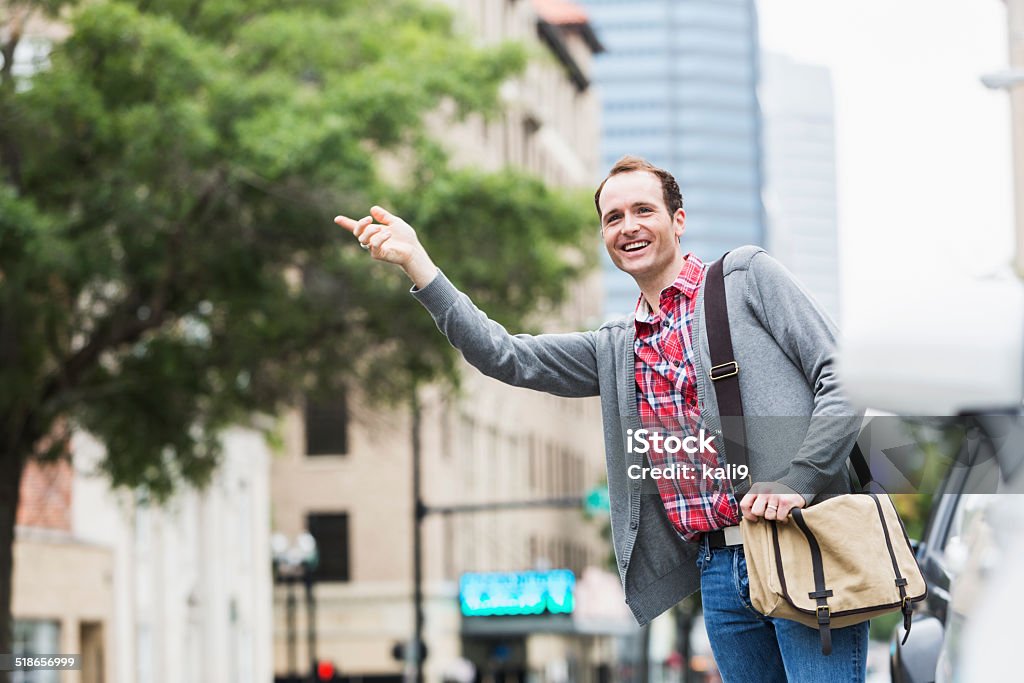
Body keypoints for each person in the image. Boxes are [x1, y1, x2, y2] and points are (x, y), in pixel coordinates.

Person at [335, 156, 867, 682]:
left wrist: (799, 480)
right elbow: (506, 355)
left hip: (801, 544)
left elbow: (842, 375)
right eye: (613, 218)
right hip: (720, 571)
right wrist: (419, 265)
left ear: (678, 220)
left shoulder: (747, 278)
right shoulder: (616, 347)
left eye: (643, 210)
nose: (628, 227)